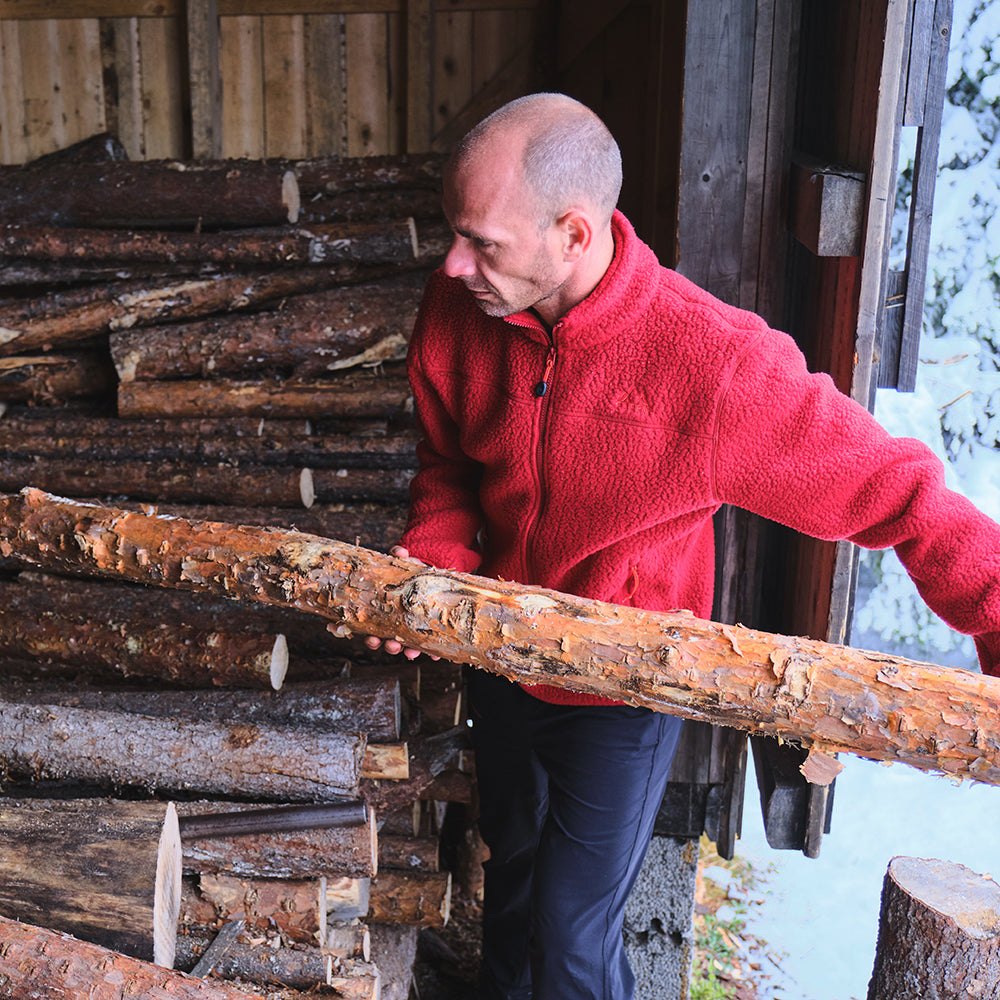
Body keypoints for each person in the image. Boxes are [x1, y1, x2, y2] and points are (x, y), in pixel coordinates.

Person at [364, 92, 1000, 1000]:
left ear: (575, 235)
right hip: (497, 659)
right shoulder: (458, 307)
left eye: (482, 242)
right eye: (454, 233)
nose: (452, 263)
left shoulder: (714, 365)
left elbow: (901, 492)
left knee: (570, 939)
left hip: (622, 692)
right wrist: (434, 557)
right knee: (507, 885)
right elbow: (448, 461)